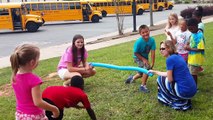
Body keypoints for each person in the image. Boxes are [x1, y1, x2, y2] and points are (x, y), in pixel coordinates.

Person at [10, 44, 59, 120]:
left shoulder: (15, 77)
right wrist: (54, 109)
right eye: (37, 59)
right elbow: (38, 102)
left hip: (20, 115)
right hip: (34, 116)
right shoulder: (34, 80)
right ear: (32, 62)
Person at [149, 40, 197, 111]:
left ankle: (169, 100)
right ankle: (183, 100)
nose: (160, 50)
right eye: (160, 49)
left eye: (163, 48)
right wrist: (155, 72)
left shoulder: (170, 60)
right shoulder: (178, 56)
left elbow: (170, 79)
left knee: (160, 80)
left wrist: (158, 74)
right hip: (192, 90)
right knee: (162, 78)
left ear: (169, 48)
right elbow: (170, 74)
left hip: (184, 92)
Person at [125, 25, 156, 93]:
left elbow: (153, 52)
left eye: (146, 31)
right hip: (138, 57)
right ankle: (142, 86)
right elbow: (135, 53)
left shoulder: (152, 40)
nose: (145, 34)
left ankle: (132, 78)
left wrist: (153, 63)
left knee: (142, 73)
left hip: (145, 57)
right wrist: (144, 60)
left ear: (149, 31)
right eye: (143, 33)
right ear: (140, 34)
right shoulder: (139, 42)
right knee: (146, 68)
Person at [185, 18, 205, 87]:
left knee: (193, 74)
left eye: (192, 29)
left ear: (196, 26)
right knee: (191, 72)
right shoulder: (193, 33)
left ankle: (194, 87)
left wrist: (190, 49)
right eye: (189, 29)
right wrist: (187, 44)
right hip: (191, 58)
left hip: (196, 59)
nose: (191, 31)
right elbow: (190, 40)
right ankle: (192, 85)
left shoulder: (199, 36)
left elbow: (201, 49)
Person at [192, 6, 205, 72]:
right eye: (192, 17)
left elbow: (199, 34)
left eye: (195, 17)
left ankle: (198, 68)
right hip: (195, 42)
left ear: (199, 17)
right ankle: (198, 67)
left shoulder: (200, 25)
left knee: (197, 55)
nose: (193, 18)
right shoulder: (197, 24)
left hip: (199, 43)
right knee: (196, 55)